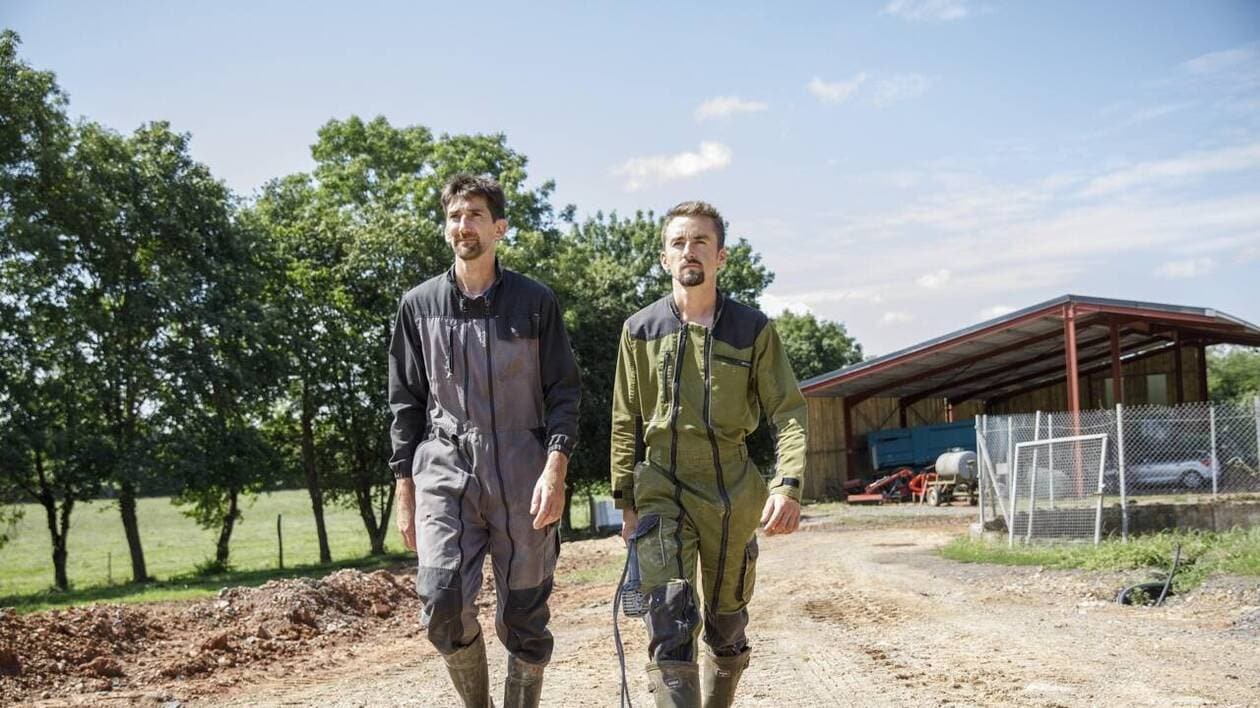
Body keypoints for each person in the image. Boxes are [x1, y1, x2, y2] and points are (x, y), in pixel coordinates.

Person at [389, 173, 581, 708]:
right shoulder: (418, 305)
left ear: (499, 228)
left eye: (474, 215)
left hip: (524, 469)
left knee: (525, 613)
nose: (462, 225)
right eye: (454, 216)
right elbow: (404, 402)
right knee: (441, 599)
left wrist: (555, 468)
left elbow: (564, 391)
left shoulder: (534, 302)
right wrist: (405, 489)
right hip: (445, 465)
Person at [610, 200, 807, 707]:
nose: (689, 251)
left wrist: (788, 484)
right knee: (669, 617)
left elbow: (788, 411)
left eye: (700, 241)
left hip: (732, 492)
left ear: (720, 257)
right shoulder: (639, 330)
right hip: (661, 488)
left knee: (726, 623)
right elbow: (625, 419)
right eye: (678, 243)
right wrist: (626, 500)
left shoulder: (753, 330)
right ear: (664, 259)